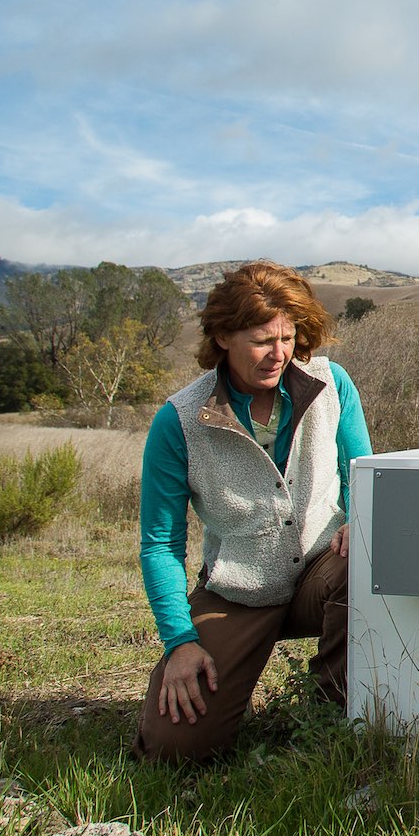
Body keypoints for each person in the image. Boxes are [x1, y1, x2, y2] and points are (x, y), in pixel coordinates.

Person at [135, 261, 372, 761]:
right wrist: (179, 641)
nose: (279, 354)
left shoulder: (331, 384)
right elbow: (160, 544)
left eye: (288, 337)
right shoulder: (177, 421)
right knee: (175, 746)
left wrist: (358, 519)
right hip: (239, 590)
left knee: (368, 559)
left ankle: (332, 715)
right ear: (223, 335)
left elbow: (362, 474)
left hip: (323, 570)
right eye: (262, 340)